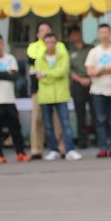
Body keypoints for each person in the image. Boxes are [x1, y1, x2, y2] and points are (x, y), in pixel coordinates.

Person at [34, 33, 82, 161]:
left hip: (61, 94)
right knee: (48, 125)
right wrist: (50, 76)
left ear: (56, 43)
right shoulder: (39, 57)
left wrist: (46, 74)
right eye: (48, 42)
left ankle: (70, 149)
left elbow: (63, 72)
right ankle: (53, 150)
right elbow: (39, 76)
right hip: (45, 95)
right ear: (44, 43)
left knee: (65, 123)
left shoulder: (63, 54)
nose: (50, 44)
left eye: (53, 42)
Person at [26, 22, 67, 158]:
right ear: (38, 35)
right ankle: (36, 149)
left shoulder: (60, 45)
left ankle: (61, 148)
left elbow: (61, 61)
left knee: (57, 120)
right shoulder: (33, 46)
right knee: (37, 119)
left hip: (57, 85)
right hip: (38, 85)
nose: (45, 32)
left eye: (47, 30)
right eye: (42, 30)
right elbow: (33, 61)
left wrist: (47, 70)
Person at [0, 33, 29, 163]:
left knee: (15, 128)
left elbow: (14, 76)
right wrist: (5, 72)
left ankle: (20, 153)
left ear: (3, 44)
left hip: (9, 100)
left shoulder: (10, 58)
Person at [85, 23, 111, 157]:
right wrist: (108, 68)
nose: (104, 35)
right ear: (98, 34)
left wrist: (100, 69)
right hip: (97, 91)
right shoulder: (94, 52)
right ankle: (102, 147)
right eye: (102, 32)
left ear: (110, 33)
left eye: (107, 32)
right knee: (100, 120)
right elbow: (90, 72)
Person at [67, 26, 93, 149]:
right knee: (80, 113)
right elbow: (69, 70)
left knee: (96, 112)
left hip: (93, 81)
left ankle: (99, 138)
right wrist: (81, 79)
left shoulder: (91, 48)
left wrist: (90, 78)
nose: (75, 36)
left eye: (76, 33)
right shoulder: (69, 51)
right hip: (78, 84)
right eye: (72, 34)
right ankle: (83, 140)